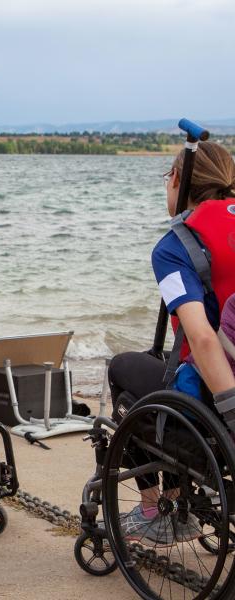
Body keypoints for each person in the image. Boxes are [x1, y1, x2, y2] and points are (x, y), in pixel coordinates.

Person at [108, 141, 235, 545]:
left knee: (123, 370)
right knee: (163, 363)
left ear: (178, 181)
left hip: (216, 393)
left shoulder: (175, 246)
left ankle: (154, 509)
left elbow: (200, 337)